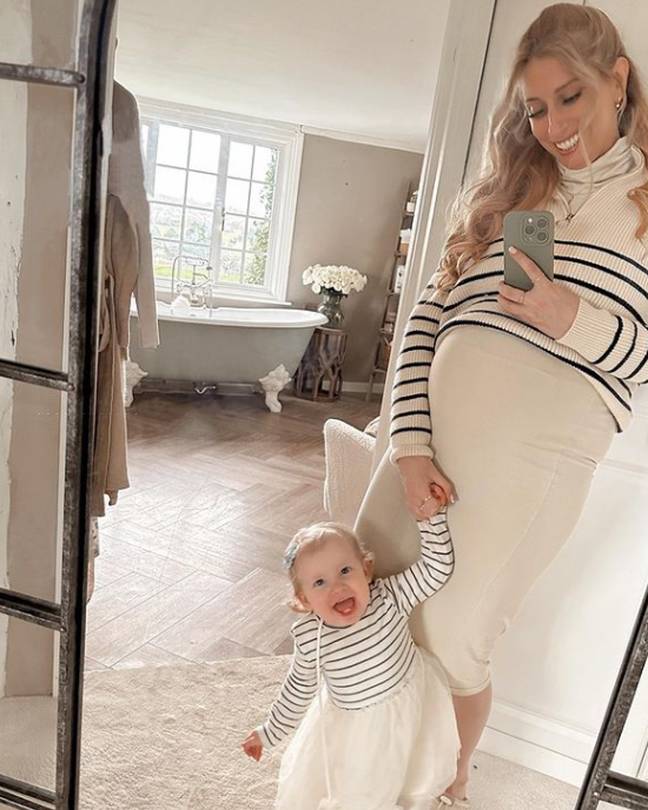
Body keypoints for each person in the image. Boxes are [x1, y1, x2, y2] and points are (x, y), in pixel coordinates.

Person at [354, 4, 648, 808]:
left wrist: (568, 317)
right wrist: (409, 445)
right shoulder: (514, 193)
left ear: (617, 79)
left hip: (540, 454)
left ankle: (441, 790)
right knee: (368, 601)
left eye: (571, 97)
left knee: (455, 635)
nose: (552, 124)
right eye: (536, 107)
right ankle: (360, 778)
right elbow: (425, 319)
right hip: (425, 442)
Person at [242, 510, 461, 810]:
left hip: (410, 705)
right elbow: (298, 689)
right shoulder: (311, 636)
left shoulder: (389, 597)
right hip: (358, 730)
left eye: (345, 571)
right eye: (319, 582)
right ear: (304, 600)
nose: (337, 587)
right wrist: (268, 733)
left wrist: (430, 517)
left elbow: (436, 569)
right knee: (362, 792)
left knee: (416, 773)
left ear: (366, 569)